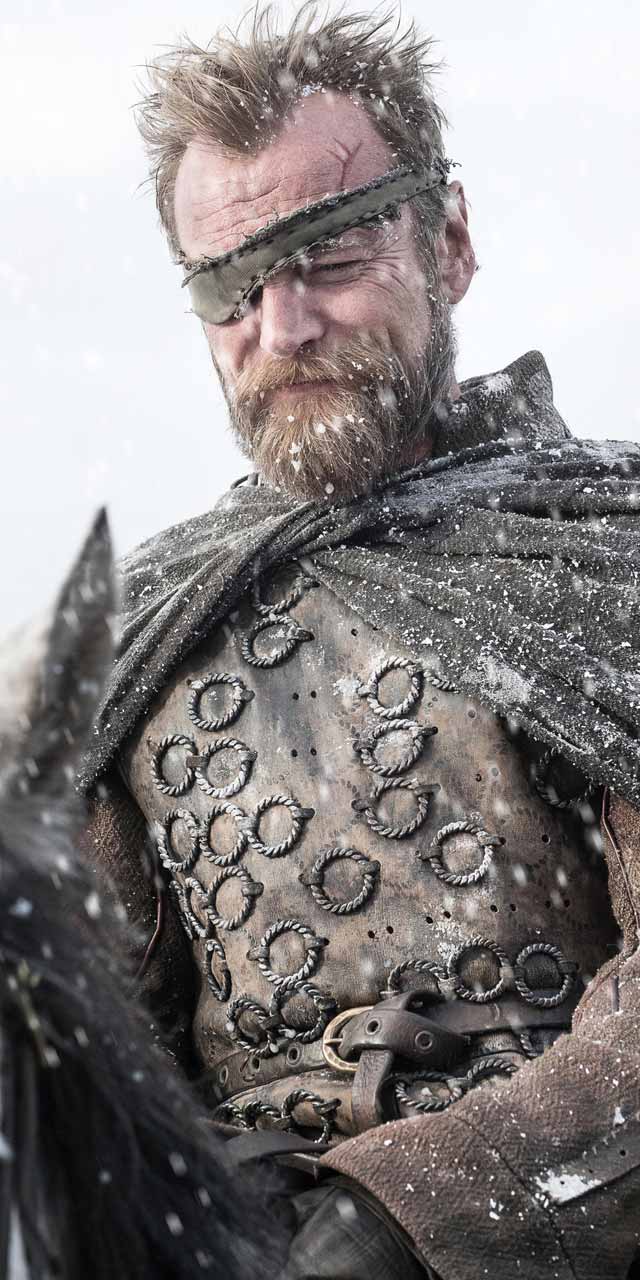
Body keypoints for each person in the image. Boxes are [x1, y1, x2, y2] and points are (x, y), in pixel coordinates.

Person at [79, 5, 640, 1276]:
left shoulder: (606, 556)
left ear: (448, 241)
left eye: (328, 253)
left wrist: (401, 1216)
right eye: (232, 285)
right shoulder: (150, 631)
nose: (283, 328)